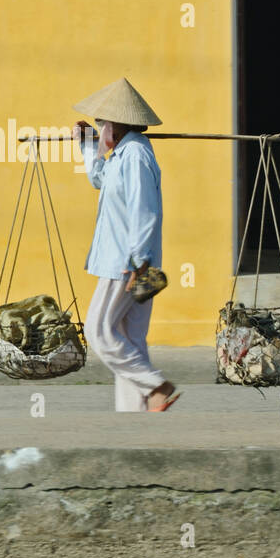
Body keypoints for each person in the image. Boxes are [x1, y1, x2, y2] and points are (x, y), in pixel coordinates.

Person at [72, 77, 179, 413]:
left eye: (101, 122)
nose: (99, 127)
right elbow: (98, 179)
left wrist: (140, 260)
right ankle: (136, 415)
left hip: (127, 261)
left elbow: (144, 209)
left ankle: (155, 385)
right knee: (129, 338)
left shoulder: (135, 155)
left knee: (99, 330)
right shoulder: (122, 155)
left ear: (116, 123)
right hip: (130, 259)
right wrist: (90, 145)